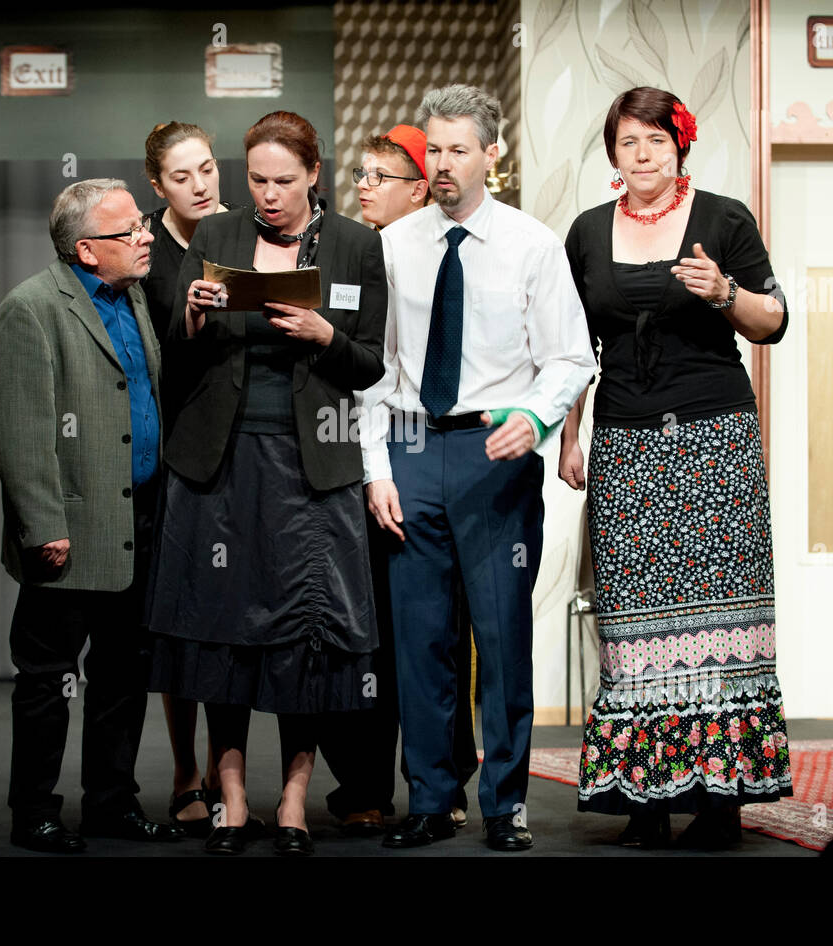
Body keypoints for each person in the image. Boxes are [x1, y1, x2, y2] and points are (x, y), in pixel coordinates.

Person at [147, 110, 388, 856]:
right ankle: (230, 796)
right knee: (223, 635)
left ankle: (291, 798)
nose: (270, 194)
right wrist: (189, 317)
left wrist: (328, 336)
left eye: (285, 181)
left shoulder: (354, 243)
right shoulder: (217, 237)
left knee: (302, 639)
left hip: (311, 469)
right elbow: (179, 364)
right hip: (218, 465)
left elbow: (372, 362)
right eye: (257, 180)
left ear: (315, 175)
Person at [362, 85, 596, 851]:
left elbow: (570, 357)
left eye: (459, 149)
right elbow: (372, 370)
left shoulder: (533, 244)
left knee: (499, 641)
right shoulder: (393, 246)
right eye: (433, 150)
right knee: (421, 640)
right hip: (411, 450)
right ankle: (430, 799)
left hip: (496, 452)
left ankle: (505, 804)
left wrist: (534, 419)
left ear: (492, 155)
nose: (442, 164)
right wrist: (377, 469)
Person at [560, 86, 793, 850]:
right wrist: (571, 438)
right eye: (629, 142)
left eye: (656, 140)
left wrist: (724, 290)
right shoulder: (589, 232)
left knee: (723, 615)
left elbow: (776, 319)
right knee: (632, 621)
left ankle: (720, 798)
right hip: (627, 439)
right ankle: (646, 794)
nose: (644, 155)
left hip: (715, 438)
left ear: (679, 145)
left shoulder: (723, 219)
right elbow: (574, 349)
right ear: (613, 154)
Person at [0, 178, 183, 853]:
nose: (147, 235)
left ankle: (111, 805)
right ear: (88, 250)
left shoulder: (133, 298)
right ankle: (35, 812)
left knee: (122, 680)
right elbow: (19, 430)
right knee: (45, 682)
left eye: (143, 224)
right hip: (66, 535)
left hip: (139, 526)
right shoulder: (31, 309)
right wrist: (44, 527)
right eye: (131, 230)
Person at [317, 123, 479, 836]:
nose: (363, 186)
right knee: (360, 634)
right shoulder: (348, 252)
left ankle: (444, 779)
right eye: (360, 172)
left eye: (381, 176)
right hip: (346, 464)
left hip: (423, 458)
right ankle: (363, 783)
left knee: (435, 630)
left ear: (421, 189)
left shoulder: (444, 255)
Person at [138, 121, 229, 838]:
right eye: (182, 177)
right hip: (175, 454)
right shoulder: (146, 253)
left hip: (245, 452)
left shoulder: (244, 235)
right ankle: (183, 773)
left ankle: (228, 776)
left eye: (206, 169)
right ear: (157, 186)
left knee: (229, 623)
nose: (201, 185)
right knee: (176, 623)